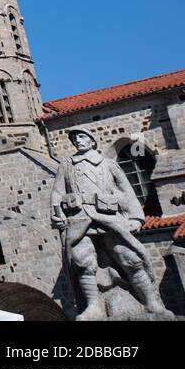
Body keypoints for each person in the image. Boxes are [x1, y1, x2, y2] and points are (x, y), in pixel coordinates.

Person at [50, 129, 170, 319]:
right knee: (82, 262)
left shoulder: (108, 164)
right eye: (74, 139)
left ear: (92, 141)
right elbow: (57, 192)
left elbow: (126, 191)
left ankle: (151, 303)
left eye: (82, 137)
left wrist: (135, 217)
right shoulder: (67, 165)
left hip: (109, 216)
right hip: (80, 219)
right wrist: (56, 215)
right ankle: (93, 307)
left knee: (130, 258)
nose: (77, 141)